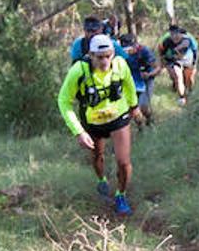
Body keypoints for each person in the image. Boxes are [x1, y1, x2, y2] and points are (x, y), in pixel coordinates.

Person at [57, 34, 140, 216]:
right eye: (100, 57)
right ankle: (101, 179)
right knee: (97, 157)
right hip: (93, 121)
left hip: (118, 117)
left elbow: (129, 85)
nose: (104, 61)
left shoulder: (119, 65)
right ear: (91, 55)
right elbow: (64, 101)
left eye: (108, 56)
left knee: (123, 162)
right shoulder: (79, 71)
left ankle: (121, 195)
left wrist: (134, 106)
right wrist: (78, 131)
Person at [120, 33, 161, 126]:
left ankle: (149, 119)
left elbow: (158, 68)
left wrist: (149, 74)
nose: (127, 52)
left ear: (136, 45)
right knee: (132, 108)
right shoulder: (121, 54)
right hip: (131, 81)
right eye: (125, 49)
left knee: (143, 106)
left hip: (146, 81)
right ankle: (140, 128)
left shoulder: (144, 51)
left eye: (130, 49)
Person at [158, 23, 199, 105]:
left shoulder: (188, 39)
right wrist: (164, 64)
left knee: (189, 79)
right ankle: (182, 97)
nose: (174, 37)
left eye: (176, 34)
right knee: (177, 77)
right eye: (172, 35)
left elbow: (196, 51)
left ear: (180, 33)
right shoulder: (165, 40)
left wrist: (194, 64)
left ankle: (190, 90)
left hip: (188, 60)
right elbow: (161, 53)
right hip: (175, 60)